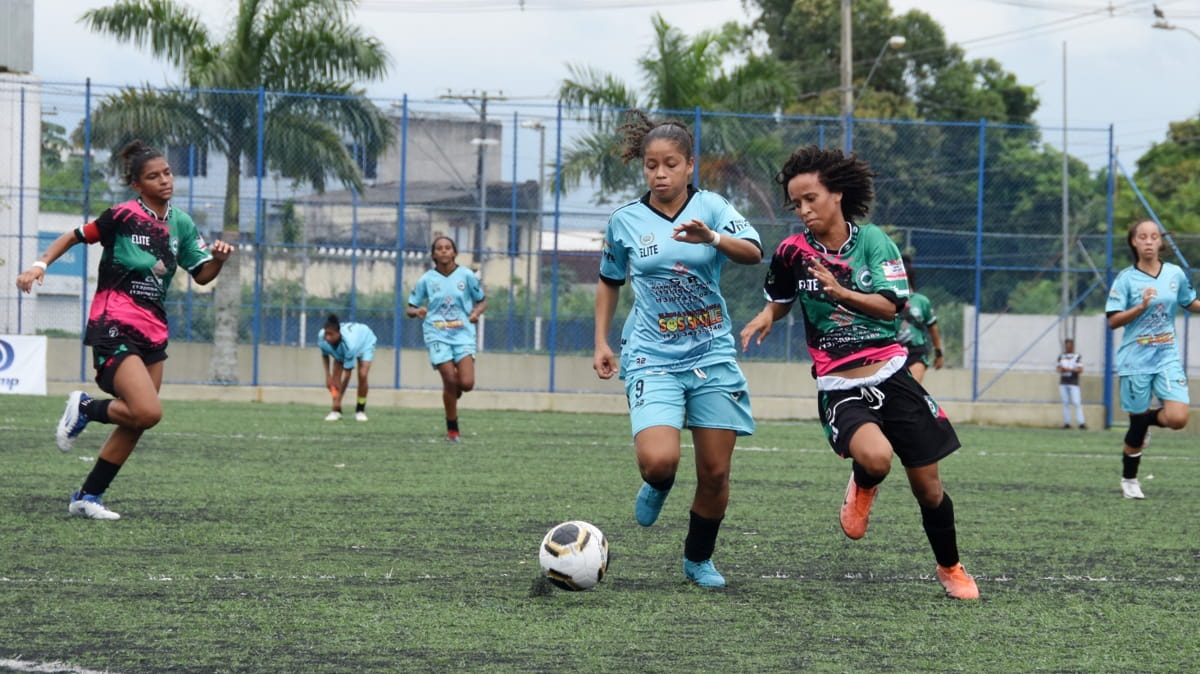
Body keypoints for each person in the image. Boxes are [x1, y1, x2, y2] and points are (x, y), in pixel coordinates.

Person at [740, 145, 979, 600]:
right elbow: (782, 298)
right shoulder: (791, 252)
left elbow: (890, 306)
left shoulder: (874, 242)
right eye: (796, 203)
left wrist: (840, 292)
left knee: (929, 489)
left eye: (811, 198)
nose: (803, 210)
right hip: (840, 383)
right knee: (876, 457)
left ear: (837, 194)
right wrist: (767, 316)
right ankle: (864, 481)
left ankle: (950, 567)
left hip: (892, 374)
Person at [14, 140, 234, 520]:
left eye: (167, 172)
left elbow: (201, 275)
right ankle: (85, 407)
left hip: (154, 332)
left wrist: (218, 260)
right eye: (154, 176)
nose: (165, 180)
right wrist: (39, 265)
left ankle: (87, 496)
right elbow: (74, 235)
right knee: (148, 411)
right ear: (137, 184)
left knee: (137, 420)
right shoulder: (122, 216)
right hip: (114, 323)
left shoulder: (181, 223)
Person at [593, 110, 763, 588]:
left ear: (690, 165)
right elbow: (608, 281)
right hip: (652, 355)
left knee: (715, 473)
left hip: (711, 355)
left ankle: (698, 559)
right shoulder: (625, 221)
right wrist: (601, 340)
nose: (660, 174)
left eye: (670, 164)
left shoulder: (712, 207)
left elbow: (754, 252)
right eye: (651, 165)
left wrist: (713, 237)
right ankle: (658, 483)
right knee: (659, 460)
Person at [1105, 219, 1200, 499]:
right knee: (1136, 426)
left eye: (1154, 236)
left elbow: (1189, 302)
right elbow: (1112, 321)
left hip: (1166, 356)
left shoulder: (1174, 274)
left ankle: (1146, 421)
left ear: (1160, 242)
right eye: (1143, 237)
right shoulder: (1126, 279)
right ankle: (1129, 480)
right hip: (1135, 360)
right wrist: (1141, 306)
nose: (1148, 241)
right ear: (1134, 242)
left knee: (1178, 418)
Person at [406, 236, 486, 442]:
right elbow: (410, 307)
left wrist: (476, 313)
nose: (443, 251)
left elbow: (482, 301)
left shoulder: (466, 276)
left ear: (454, 252)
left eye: (448, 248)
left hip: (463, 334)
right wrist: (417, 311)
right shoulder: (427, 279)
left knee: (466, 384)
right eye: (439, 248)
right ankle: (452, 430)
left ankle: (453, 391)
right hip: (437, 333)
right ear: (433, 254)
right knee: (449, 379)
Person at [318, 314, 378, 422]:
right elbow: (325, 355)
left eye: (331, 334)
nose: (328, 337)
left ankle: (360, 410)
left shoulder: (349, 345)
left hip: (365, 341)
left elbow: (347, 375)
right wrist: (328, 376)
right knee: (335, 377)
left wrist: (339, 398)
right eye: (327, 334)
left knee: (362, 375)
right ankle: (336, 411)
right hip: (345, 346)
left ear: (338, 333)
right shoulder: (322, 337)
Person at [896, 254, 944, 383]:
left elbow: (933, 328)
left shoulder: (921, 301)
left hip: (916, 351)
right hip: (892, 351)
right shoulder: (886, 300)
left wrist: (938, 353)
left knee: (912, 387)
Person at [1056, 338, 1086, 430]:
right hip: (1064, 382)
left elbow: (1080, 369)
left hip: (1073, 383)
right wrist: (1063, 369)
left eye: (1069, 345)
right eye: (1066, 345)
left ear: (1072, 346)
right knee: (1065, 402)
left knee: (1076, 402)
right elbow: (1058, 368)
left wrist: (1070, 370)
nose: (1067, 347)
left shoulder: (1077, 357)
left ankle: (1081, 423)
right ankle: (1067, 422)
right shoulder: (1061, 356)